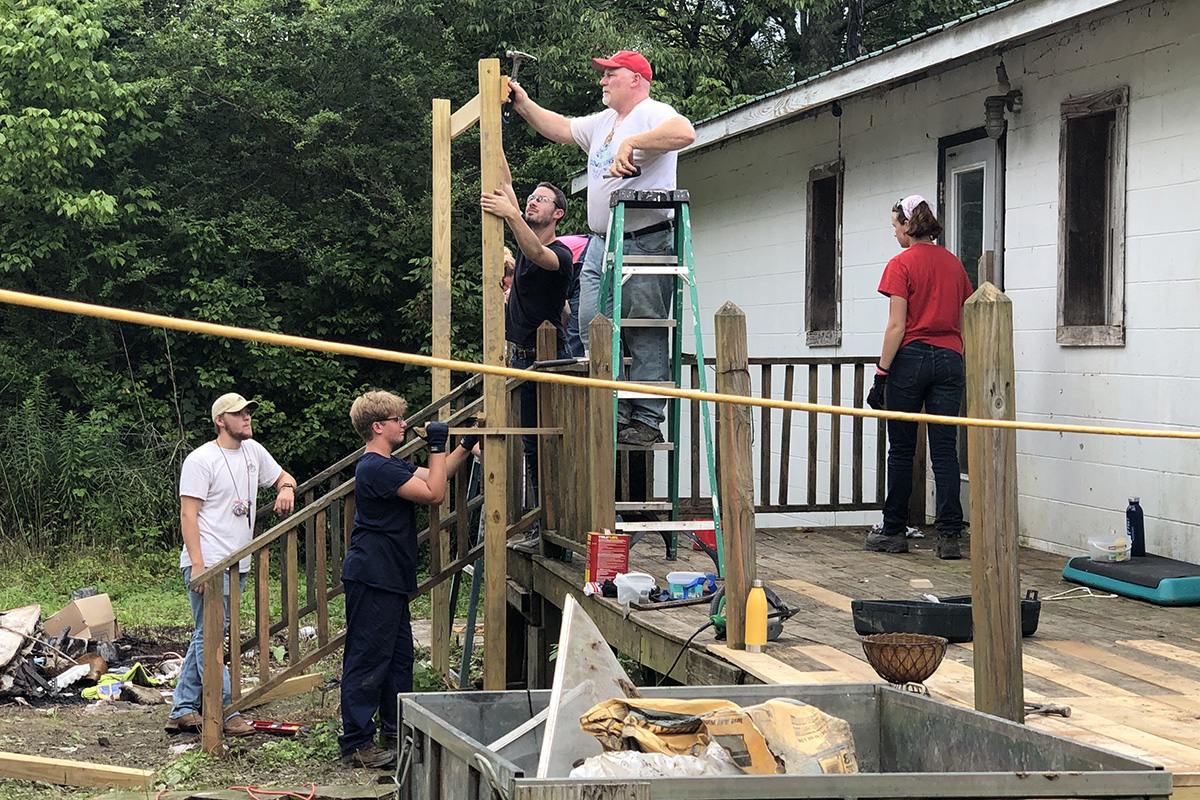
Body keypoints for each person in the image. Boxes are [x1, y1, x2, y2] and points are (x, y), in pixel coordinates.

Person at [509, 49, 696, 446]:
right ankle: (615, 410)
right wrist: (523, 104)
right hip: (601, 241)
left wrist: (632, 144)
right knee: (590, 321)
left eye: (611, 74)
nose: (602, 81)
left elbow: (685, 133)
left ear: (635, 80)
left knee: (643, 329)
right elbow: (558, 126)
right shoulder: (603, 122)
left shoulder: (652, 112)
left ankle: (645, 419)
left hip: (644, 240)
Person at [338, 391, 476, 768]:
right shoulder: (375, 468)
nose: (404, 423)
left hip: (390, 576)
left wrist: (463, 445)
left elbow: (437, 473)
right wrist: (434, 442)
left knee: (398, 658)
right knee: (368, 658)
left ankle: (395, 730)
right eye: (398, 419)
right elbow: (434, 494)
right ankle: (356, 743)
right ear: (378, 427)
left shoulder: (389, 465)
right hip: (373, 575)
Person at [166, 393, 297, 737]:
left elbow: (285, 477)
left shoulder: (254, 452)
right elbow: (188, 514)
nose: (246, 417)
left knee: (207, 634)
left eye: (248, 412)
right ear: (220, 421)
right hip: (208, 561)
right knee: (213, 635)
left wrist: (285, 488)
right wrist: (197, 565)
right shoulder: (201, 459)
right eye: (238, 414)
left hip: (238, 563)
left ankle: (181, 708)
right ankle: (227, 709)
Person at [865, 195, 974, 560]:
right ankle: (949, 537)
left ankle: (894, 530)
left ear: (909, 226)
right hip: (950, 359)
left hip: (910, 359)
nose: (894, 233)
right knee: (945, 451)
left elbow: (897, 325)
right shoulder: (955, 265)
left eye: (896, 226)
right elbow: (964, 315)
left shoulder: (901, 264)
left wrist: (881, 374)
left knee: (902, 450)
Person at [480, 153, 573, 553]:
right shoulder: (523, 240)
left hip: (545, 359)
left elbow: (539, 255)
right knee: (529, 447)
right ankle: (541, 529)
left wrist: (511, 212)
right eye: (530, 198)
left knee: (542, 446)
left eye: (542, 200)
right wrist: (497, 113)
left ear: (559, 215)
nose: (532, 202)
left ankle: (548, 534)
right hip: (520, 359)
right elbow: (506, 180)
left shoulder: (562, 254)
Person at [557, 234, 591, 358]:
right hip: (579, 257)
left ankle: (574, 373)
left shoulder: (525, 270)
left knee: (577, 329)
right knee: (573, 329)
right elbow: (564, 309)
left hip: (584, 258)